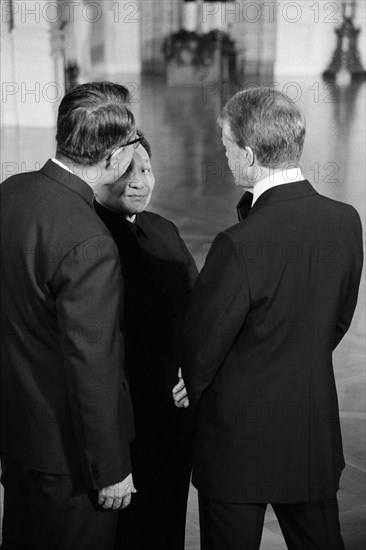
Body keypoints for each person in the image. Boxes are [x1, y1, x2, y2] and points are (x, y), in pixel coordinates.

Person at [180, 87, 363, 550]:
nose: (225, 158)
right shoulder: (346, 220)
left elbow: (204, 346)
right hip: (309, 433)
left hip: (238, 443)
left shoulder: (238, 243)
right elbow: (336, 322)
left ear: (247, 153)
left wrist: (188, 382)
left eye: (225, 148)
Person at [0, 81, 140, 550]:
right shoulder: (90, 242)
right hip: (70, 461)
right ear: (115, 157)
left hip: (18, 434)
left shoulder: (11, 192)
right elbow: (92, 364)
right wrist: (111, 468)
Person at [94, 133, 198, 550]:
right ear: (100, 173)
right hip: (122, 419)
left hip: (172, 413)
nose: (141, 181)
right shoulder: (90, 236)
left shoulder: (163, 229)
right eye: (128, 171)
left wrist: (193, 371)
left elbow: (197, 311)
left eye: (147, 169)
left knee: (166, 520)